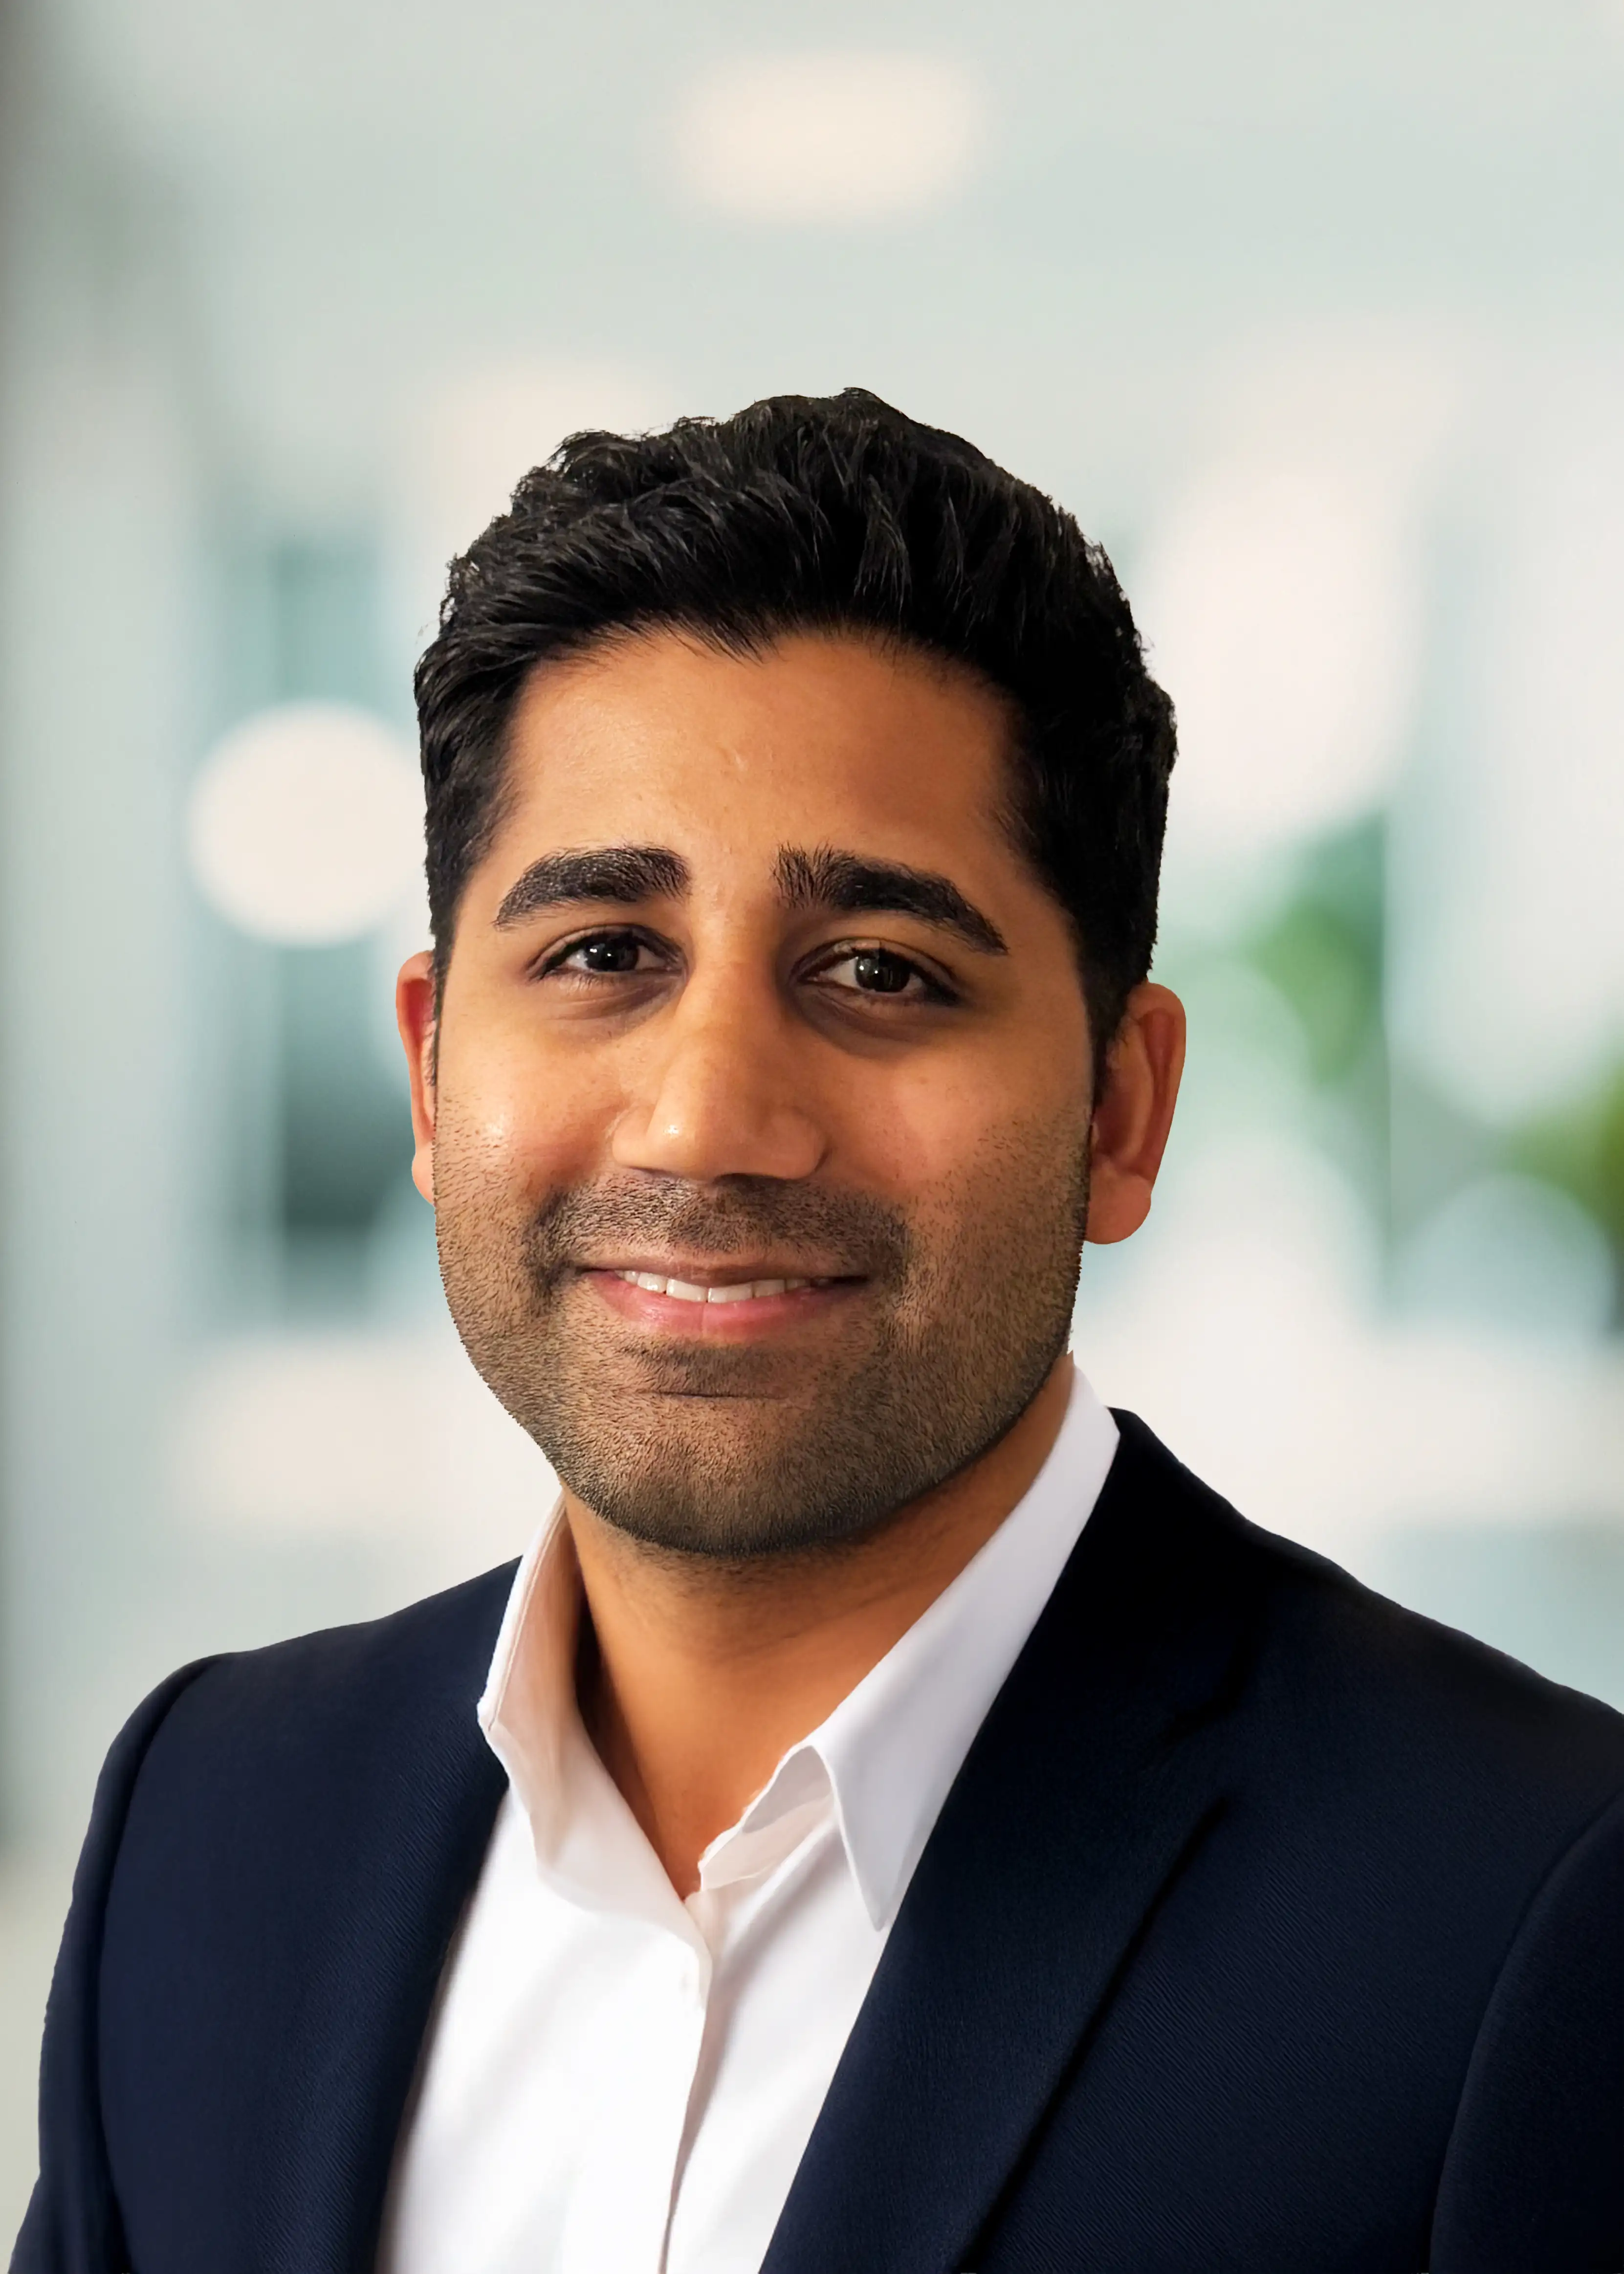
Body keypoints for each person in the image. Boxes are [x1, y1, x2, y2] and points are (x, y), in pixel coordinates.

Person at [14, 390, 1622, 2274]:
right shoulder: (211, 1820)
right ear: (436, 1074)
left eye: (881, 972)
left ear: (1121, 1111)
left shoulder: (1522, 1919)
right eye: (602, 953)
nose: (709, 1119)